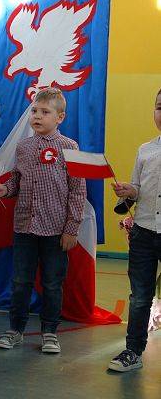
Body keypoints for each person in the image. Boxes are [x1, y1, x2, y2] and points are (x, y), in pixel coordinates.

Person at [0, 87, 86, 354]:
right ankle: (15, 329)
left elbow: (78, 190)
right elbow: (17, 181)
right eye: (34, 111)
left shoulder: (70, 147)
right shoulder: (24, 147)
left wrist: (71, 228)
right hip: (24, 228)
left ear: (60, 117)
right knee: (20, 281)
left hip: (56, 230)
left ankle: (50, 332)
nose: (37, 116)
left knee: (53, 283)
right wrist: (5, 190)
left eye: (45, 112)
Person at [108, 88, 161, 372]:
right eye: (160, 107)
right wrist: (130, 190)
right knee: (140, 297)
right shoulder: (146, 150)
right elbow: (137, 189)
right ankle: (133, 351)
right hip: (144, 233)